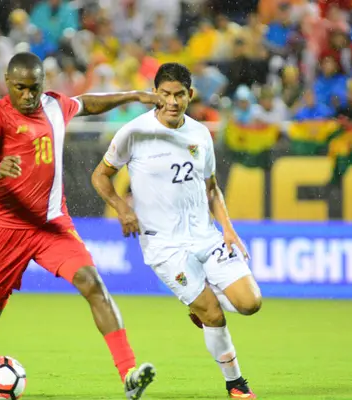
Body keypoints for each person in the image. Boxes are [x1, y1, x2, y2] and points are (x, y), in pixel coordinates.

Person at [0, 52, 164, 399]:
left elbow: (87, 103)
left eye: (34, 88)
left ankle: (129, 374)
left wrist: (133, 95)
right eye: (21, 88)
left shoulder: (56, 106)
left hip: (52, 226)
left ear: (44, 84)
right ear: (8, 84)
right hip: (5, 228)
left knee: (93, 284)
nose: (28, 95)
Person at [91, 63, 262, 399]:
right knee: (213, 313)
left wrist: (228, 229)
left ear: (190, 95)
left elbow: (212, 187)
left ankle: (200, 308)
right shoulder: (133, 132)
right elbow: (100, 176)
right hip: (164, 247)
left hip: (206, 236)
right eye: (165, 94)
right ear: (156, 94)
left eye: (179, 94)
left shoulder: (200, 134)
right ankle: (236, 384)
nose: (171, 101)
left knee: (251, 303)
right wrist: (123, 208)